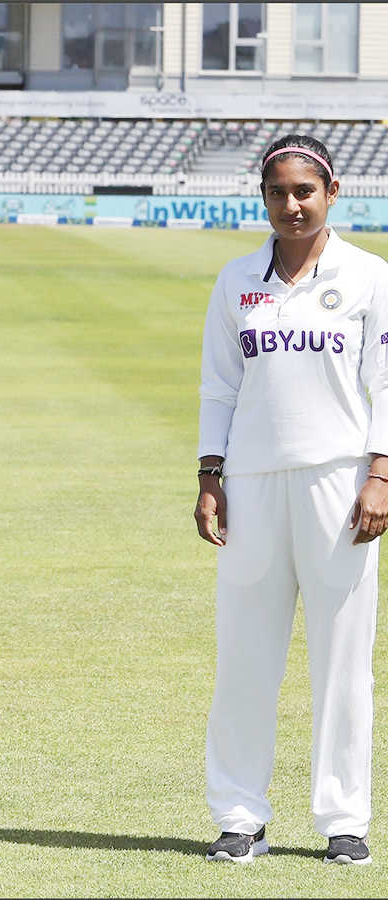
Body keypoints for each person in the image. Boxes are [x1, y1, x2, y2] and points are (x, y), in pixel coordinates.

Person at [195, 133, 388, 866]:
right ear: (264, 198)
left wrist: (382, 474)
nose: (291, 204)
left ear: (332, 193)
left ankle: (343, 820)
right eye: (278, 192)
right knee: (245, 657)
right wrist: (210, 476)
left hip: (340, 484)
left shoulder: (369, 275)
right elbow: (220, 385)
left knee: (343, 660)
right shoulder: (237, 279)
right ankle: (240, 816)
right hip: (250, 483)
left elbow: (386, 384)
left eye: (304, 190)